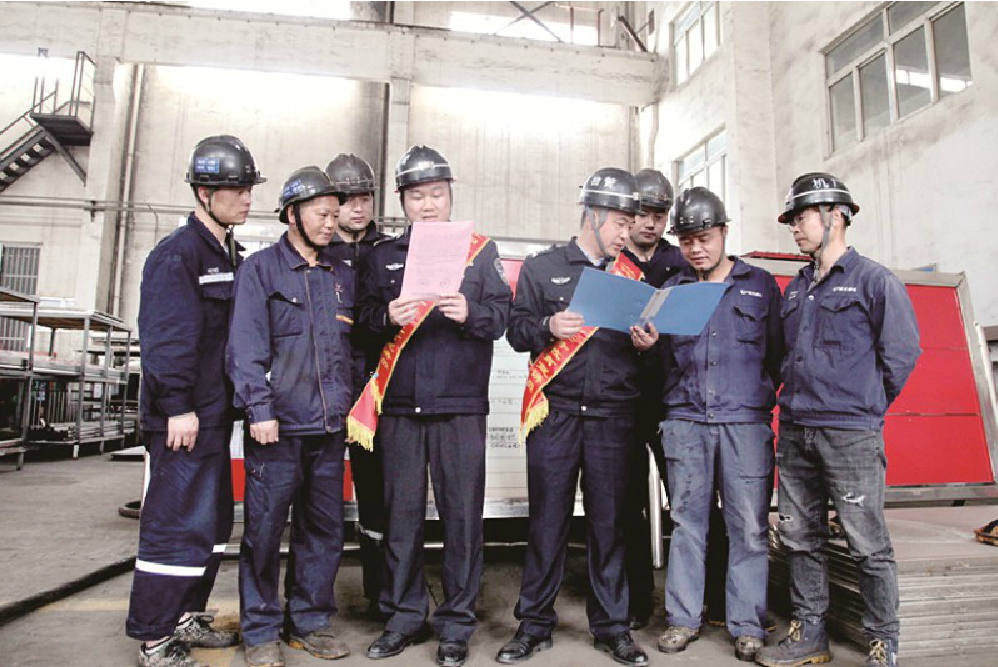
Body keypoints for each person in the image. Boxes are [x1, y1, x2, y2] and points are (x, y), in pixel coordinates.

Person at [354, 145, 511, 667]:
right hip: (399, 407)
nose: (427, 205)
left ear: (450, 197)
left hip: (460, 406)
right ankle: (403, 617)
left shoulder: (480, 253)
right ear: (402, 201)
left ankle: (457, 625)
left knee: (462, 520)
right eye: (417, 196)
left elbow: (501, 319)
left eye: (437, 195)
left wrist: (470, 311)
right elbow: (361, 320)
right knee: (401, 519)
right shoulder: (380, 256)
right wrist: (386, 317)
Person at [756, 173, 921, 667]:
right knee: (799, 537)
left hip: (850, 434)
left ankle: (883, 642)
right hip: (796, 429)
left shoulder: (874, 281)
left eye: (801, 217)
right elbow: (784, 356)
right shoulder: (797, 288)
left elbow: (901, 354)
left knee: (867, 543)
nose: (794, 228)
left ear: (835, 216)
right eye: (791, 220)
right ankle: (810, 635)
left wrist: (863, 406)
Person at [497, 167, 657, 667]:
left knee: (610, 526)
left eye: (630, 224)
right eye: (620, 223)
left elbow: (650, 350)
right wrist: (548, 325)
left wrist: (646, 344)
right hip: (556, 413)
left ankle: (612, 628)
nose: (627, 233)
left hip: (614, 416)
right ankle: (533, 625)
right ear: (592, 214)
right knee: (547, 523)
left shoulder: (635, 277)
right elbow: (516, 332)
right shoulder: (543, 267)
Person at [127, 135, 265, 667]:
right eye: (238, 189)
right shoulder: (178, 255)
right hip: (182, 419)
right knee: (175, 526)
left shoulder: (226, 253)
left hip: (211, 417)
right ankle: (155, 637)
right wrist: (178, 406)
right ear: (205, 193)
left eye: (249, 188)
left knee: (208, 526)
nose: (248, 198)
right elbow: (165, 340)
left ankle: (184, 616)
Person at [227, 167, 354, 667]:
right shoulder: (260, 270)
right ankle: (260, 630)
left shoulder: (339, 274)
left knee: (323, 531)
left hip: (328, 429)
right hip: (276, 429)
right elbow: (245, 346)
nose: (331, 223)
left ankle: (309, 622)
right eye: (322, 214)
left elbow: (350, 352)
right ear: (292, 214)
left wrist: (350, 409)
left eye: (335, 215)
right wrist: (258, 409)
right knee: (263, 532)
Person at [651, 187, 782, 663]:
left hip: (744, 424)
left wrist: (748, 398)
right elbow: (661, 362)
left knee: (748, 526)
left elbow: (777, 355)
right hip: (686, 422)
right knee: (687, 525)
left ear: (724, 232)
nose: (696, 249)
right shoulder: (672, 291)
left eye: (704, 238)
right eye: (686, 241)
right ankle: (683, 619)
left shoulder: (760, 285)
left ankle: (747, 623)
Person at [619, 167, 686, 628]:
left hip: (671, 401)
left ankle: (698, 599)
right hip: (621, 400)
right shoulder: (610, 260)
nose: (650, 223)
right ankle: (635, 602)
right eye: (642, 213)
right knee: (626, 506)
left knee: (687, 502)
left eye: (659, 215)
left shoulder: (683, 264)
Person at [325, 153, 391, 617]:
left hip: (379, 394)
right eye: (348, 199)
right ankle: (312, 604)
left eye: (365, 197)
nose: (358, 206)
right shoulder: (316, 252)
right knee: (319, 501)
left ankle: (381, 597)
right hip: (326, 392)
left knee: (379, 499)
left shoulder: (388, 254)